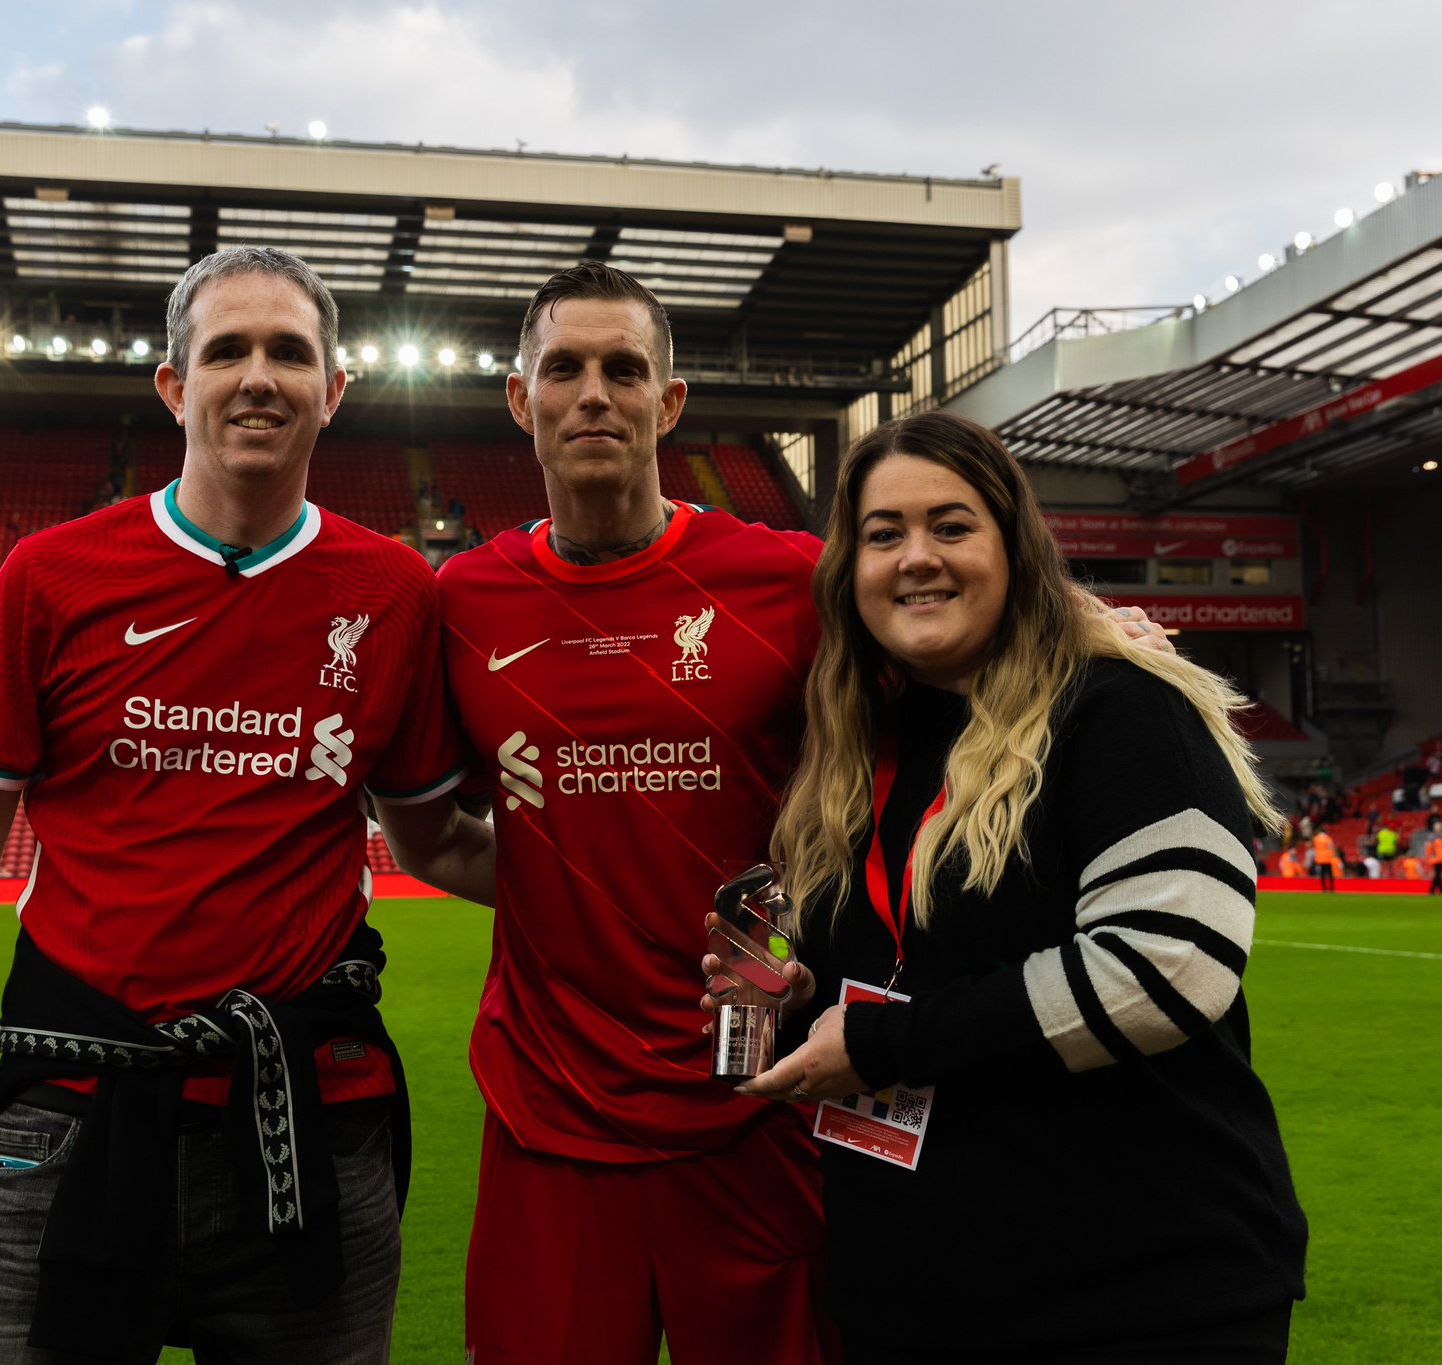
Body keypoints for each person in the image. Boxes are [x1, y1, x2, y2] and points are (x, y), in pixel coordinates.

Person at [437, 264, 1175, 1365]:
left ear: (668, 403)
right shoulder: (460, 601)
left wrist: (1092, 623)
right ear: (519, 397)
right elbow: (430, 831)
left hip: (761, 1094)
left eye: (624, 369)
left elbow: (949, 602)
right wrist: (561, 879)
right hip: (550, 1115)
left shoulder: (787, 580)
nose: (594, 393)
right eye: (564, 369)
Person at [0, 245, 496, 1364]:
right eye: (226, 351)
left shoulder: (393, 593)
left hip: (308, 1122)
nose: (258, 377)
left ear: (334, 389)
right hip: (68, 1115)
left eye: (289, 353)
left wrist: (636, 878)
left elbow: (435, 840)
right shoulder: (50, 576)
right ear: (175, 386)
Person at [725, 411, 1306, 1360]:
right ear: (849, 570)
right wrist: (799, 1001)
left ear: (1014, 548)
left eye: (952, 526)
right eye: (884, 533)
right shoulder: (852, 752)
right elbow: (901, 975)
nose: (918, 557)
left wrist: (876, 1042)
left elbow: (1168, 967)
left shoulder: (1122, 705)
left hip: (1141, 1295)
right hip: (910, 1296)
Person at [1424, 827, 1442, 895]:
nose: (1439, 830)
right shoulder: (1432, 837)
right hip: (1436, 859)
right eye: (1438, 828)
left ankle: (1435, 890)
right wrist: (1430, 857)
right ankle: (1438, 890)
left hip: (1440, 859)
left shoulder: (1441, 837)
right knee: (1438, 875)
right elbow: (1429, 847)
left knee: (1438, 875)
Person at [1311, 826, 1337, 892]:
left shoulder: (1316, 838)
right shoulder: (1328, 838)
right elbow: (1331, 847)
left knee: (1322, 873)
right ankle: (1331, 888)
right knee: (1329, 873)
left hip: (1319, 858)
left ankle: (1323, 888)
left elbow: (1314, 846)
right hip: (1328, 858)